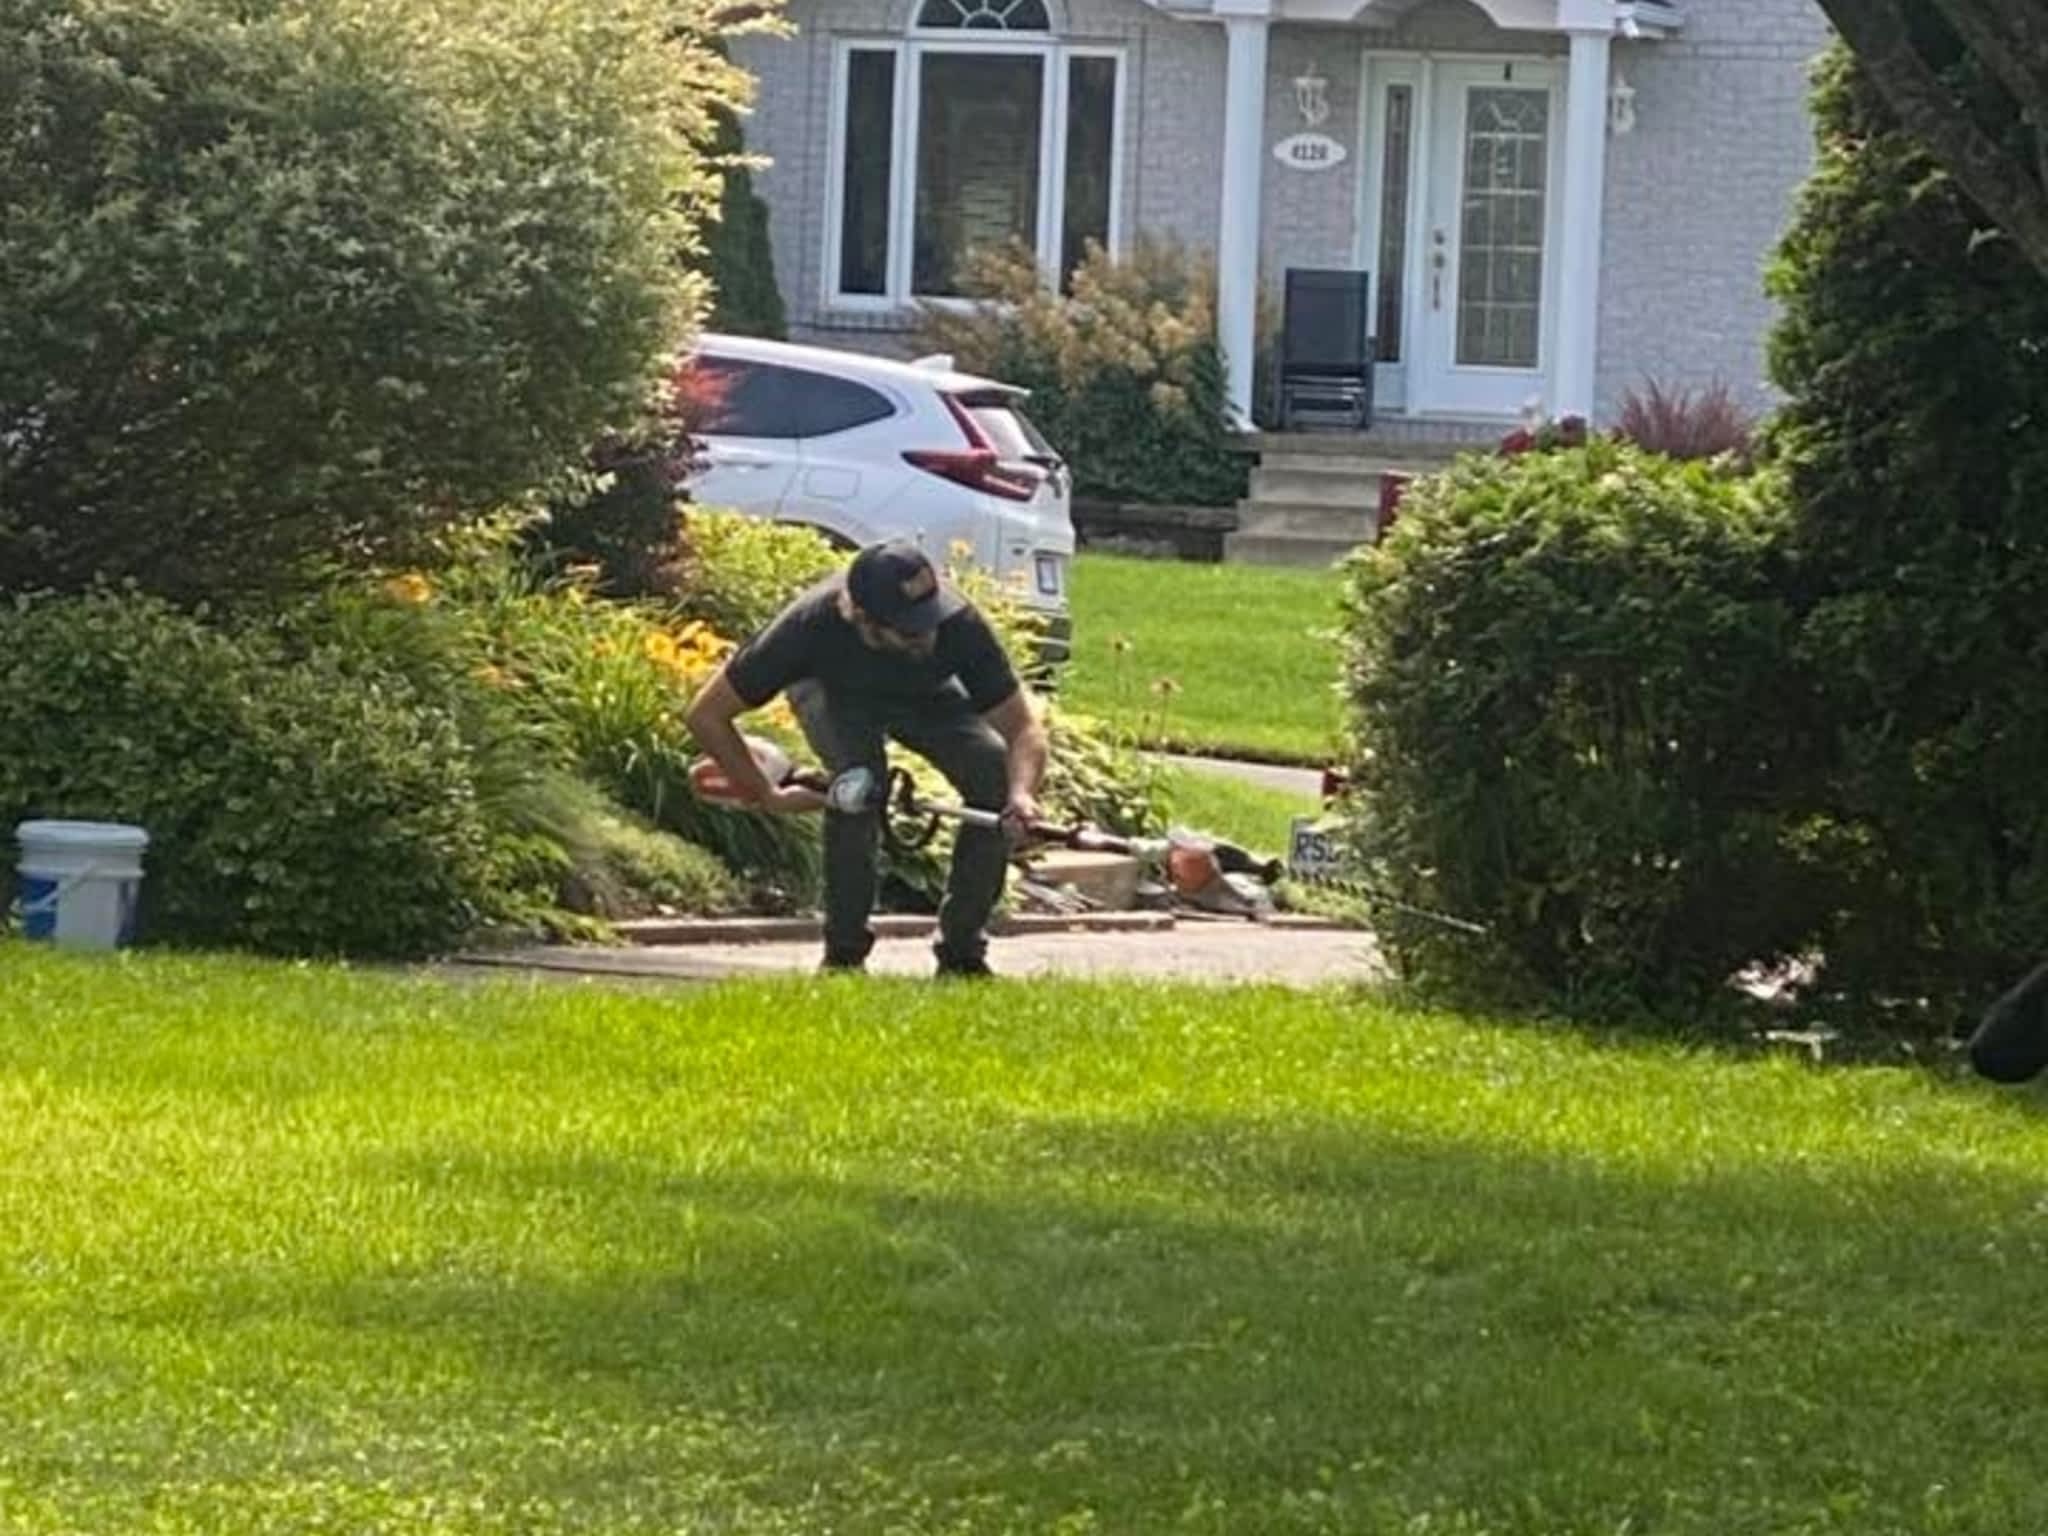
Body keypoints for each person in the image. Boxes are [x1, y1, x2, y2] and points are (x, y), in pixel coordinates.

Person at [685, 538, 1048, 978]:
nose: (928, 636)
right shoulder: (806, 628)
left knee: (993, 774)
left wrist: (1021, 795)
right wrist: (765, 793)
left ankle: (962, 954)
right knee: (858, 787)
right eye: (912, 629)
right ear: (860, 617)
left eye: (930, 620)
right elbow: (707, 715)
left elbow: (1023, 728)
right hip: (831, 691)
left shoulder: (957, 624)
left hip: (925, 693)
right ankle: (844, 955)